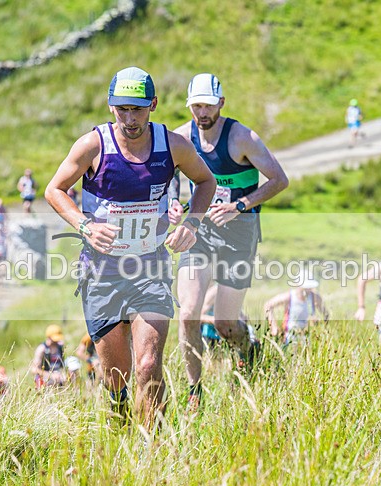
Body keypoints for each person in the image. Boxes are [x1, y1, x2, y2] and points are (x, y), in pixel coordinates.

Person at [44, 66, 215, 427]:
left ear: (152, 105)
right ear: (111, 107)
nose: (130, 118)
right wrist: (85, 225)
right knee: (116, 378)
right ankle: (120, 426)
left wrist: (192, 223)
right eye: (122, 109)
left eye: (137, 109)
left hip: (150, 265)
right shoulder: (94, 145)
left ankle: (152, 452)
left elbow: (205, 181)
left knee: (149, 365)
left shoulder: (171, 145)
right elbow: (54, 190)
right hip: (102, 271)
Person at [168, 72, 288, 410]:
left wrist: (240, 205)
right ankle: (195, 392)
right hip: (200, 232)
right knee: (188, 312)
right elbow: (168, 178)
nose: (202, 113)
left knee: (223, 323)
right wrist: (173, 203)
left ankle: (249, 349)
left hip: (239, 232)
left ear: (221, 102)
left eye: (207, 105)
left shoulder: (242, 137)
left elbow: (280, 179)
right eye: (196, 106)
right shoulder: (180, 137)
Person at [264, 276, 328, 346]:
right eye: (306, 287)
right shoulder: (289, 296)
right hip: (290, 337)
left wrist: (318, 321)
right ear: (299, 286)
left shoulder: (315, 297)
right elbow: (268, 305)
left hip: (309, 337)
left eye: (310, 287)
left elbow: (326, 315)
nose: (308, 290)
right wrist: (273, 326)